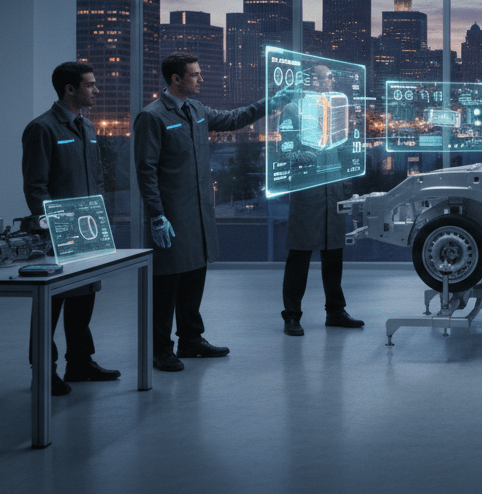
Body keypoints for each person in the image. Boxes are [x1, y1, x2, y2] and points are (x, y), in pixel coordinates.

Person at [134, 53, 284, 372]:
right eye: (195, 75)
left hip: (199, 213)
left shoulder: (197, 110)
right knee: (165, 285)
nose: (201, 79)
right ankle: (160, 350)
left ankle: (190, 340)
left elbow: (233, 119)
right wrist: (156, 215)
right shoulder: (153, 117)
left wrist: (270, 102)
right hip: (172, 216)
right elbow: (145, 170)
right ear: (176, 79)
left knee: (193, 277)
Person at [21, 61, 121, 395]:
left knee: (84, 297)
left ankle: (80, 363)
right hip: (58, 235)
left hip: (89, 229)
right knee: (50, 304)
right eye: (90, 85)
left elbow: (96, 177)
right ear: (70, 89)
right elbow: (36, 187)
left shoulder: (88, 128)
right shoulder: (42, 129)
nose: (96, 90)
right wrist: (51, 228)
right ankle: (43, 372)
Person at [281, 64, 364, 336]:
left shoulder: (337, 107)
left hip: (333, 187)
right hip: (308, 189)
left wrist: (345, 180)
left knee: (334, 252)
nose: (330, 81)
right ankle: (292, 316)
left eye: (331, 77)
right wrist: (301, 158)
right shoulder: (294, 109)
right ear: (311, 80)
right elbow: (287, 149)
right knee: (300, 254)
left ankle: (335, 311)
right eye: (325, 77)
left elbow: (343, 147)